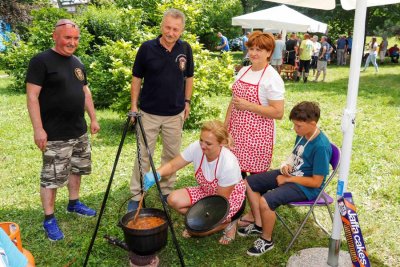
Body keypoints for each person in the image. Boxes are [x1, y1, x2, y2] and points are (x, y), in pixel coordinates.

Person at [25, 19, 100, 241]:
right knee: (52, 177)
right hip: (55, 133)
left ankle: (74, 203)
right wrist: (38, 129)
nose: (72, 42)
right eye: (68, 37)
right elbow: (32, 96)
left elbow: (85, 92)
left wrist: (93, 118)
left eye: (75, 38)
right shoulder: (41, 61)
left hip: (78, 130)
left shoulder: (77, 62)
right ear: (55, 36)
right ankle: (49, 218)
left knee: (77, 168)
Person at [237, 101, 332, 257]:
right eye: (294, 125)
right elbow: (294, 157)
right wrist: (286, 166)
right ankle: (259, 224)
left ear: (313, 124)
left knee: (266, 201)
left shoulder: (321, 146)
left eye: (298, 126)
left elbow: (316, 182)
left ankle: (266, 240)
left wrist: (288, 180)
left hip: (307, 187)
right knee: (250, 183)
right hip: (292, 175)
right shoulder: (303, 134)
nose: (295, 129)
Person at [128, 8, 194, 211]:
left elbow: (189, 77)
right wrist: (133, 107)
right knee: (143, 155)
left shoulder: (185, 48)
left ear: (181, 30)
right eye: (167, 27)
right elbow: (136, 78)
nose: (170, 32)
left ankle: (166, 190)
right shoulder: (147, 48)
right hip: (148, 113)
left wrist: (187, 102)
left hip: (175, 114)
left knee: (172, 154)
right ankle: (136, 195)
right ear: (161, 26)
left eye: (175, 29)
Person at [143, 121, 246, 245]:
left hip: (227, 200)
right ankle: (198, 221)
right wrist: (156, 174)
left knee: (197, 232)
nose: (202, 145)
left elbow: (219, 203)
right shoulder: (196, 148)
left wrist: (201, 220)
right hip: (207, 192)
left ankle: (229, 223)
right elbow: (172, 165)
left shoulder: (228, 163)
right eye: (201, 140)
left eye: (208, 143)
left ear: (222, 143)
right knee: (173, 199)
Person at [225, 31, 284, 227]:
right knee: (235, 172)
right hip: (237, 131)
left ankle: (256, 216)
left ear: (269, 53)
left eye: (259, 49)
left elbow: (278, 112)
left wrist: (249, 106)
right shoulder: (244, 71)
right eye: (251, 48)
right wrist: (226, 127)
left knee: (256, 178)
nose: (254, 53)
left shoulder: (272, 78)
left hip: (258, 135)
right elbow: (233, 103)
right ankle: (238, 210)